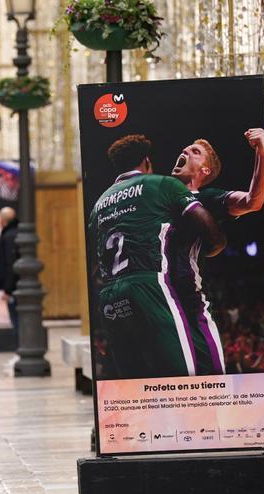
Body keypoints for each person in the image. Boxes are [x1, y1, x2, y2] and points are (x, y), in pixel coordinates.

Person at [88, 134, 225, 379]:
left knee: (138, 384)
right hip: (149, 286)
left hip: (109, 296)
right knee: (184, 379)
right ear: (146, 161)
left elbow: (93, 263)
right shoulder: (160, 184)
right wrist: (212, 248)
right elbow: (209, 229)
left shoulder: (99, 204)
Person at [166, 128, 264, 375]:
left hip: (186, 295)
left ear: (205, 171)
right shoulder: (159, 193)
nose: (185, 151)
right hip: (155, 295)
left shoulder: (207, 198)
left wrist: (262, 151)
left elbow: (254, 201)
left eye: (195, 152)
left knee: (209, 376)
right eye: (186, 149)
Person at [0, 207, 20, 352]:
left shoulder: (8, 237)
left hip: (14, 288)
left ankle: (20, 350)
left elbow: (10, 264)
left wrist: (7, 289)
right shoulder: (17, 233)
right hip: (20, 286)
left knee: (17, 322)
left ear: (2, 221)